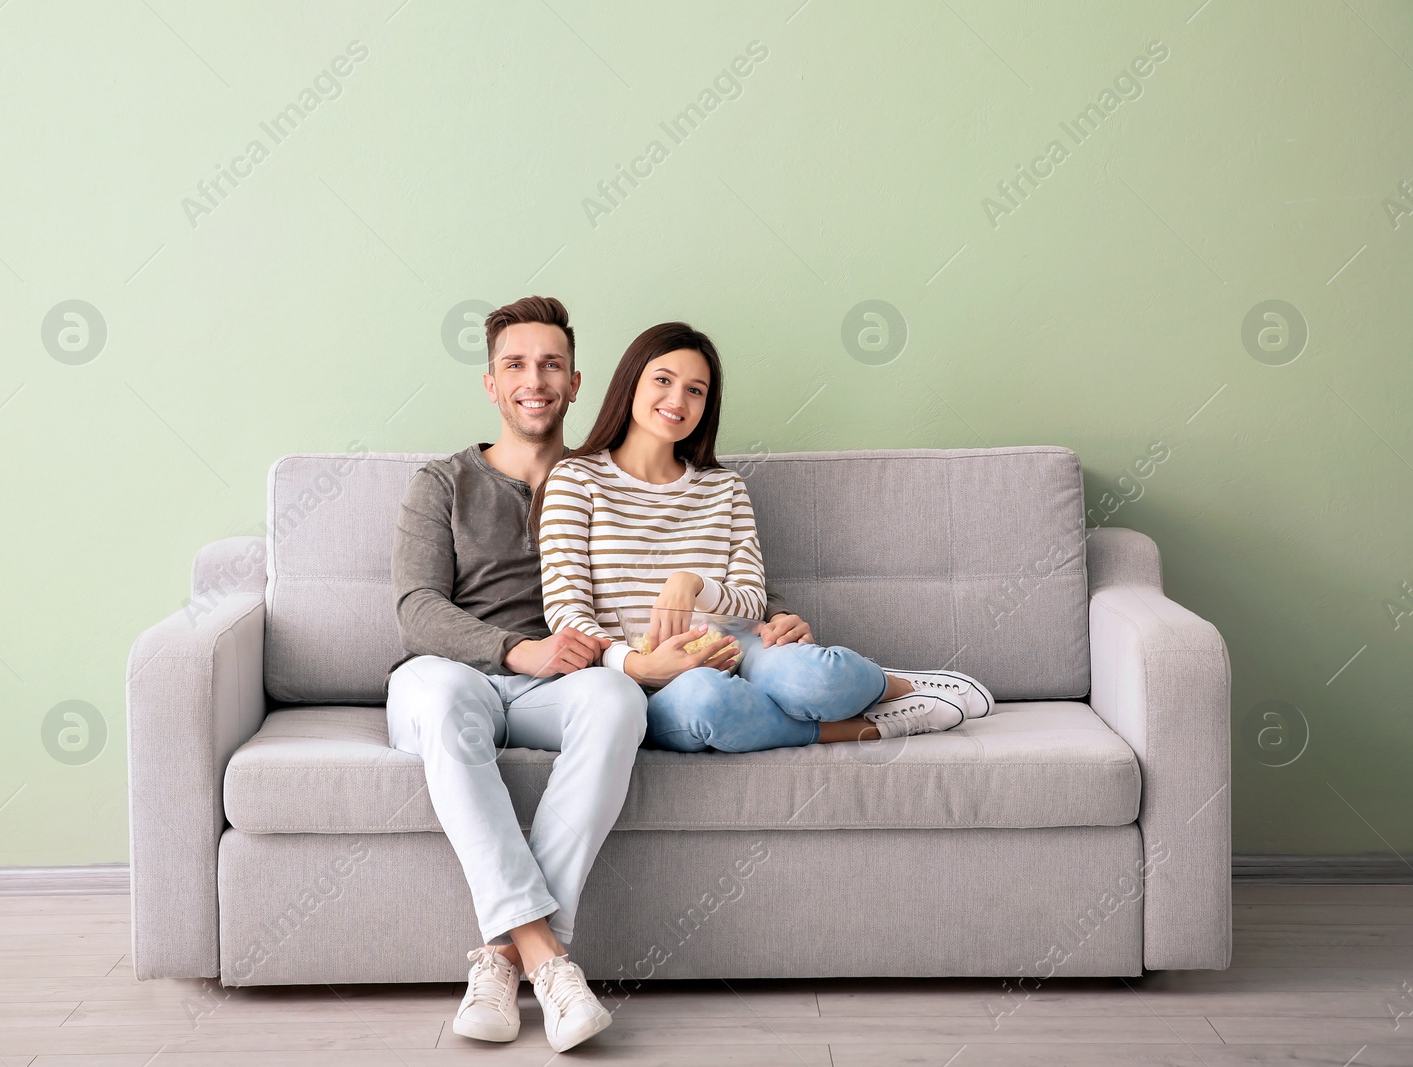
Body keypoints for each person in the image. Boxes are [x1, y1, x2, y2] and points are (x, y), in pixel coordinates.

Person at [534, 321, 995, 753]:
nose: (677, 399)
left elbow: (752, 600)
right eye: (663, 380)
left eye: (695, 390)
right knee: (707, 703)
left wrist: (691, 582)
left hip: (738, 649)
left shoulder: (724, 487)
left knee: (816, 677)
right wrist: (636, 665)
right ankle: (868, 726)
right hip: (642, 682)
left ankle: (900, 687)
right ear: (630, 382)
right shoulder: (576, 480)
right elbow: (566, 609)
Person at [384, 296, 628, 1053]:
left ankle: (502, 958)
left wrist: (772, 611)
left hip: (558, 687)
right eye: (516, 365)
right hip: (449, 678)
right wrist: (516, 650)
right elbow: (416, 606)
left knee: (619, 700)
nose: (535, 379)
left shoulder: (607, 481)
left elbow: (684, 550)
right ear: (491, 384)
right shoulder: (444, 482)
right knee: (453, 690)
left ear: (576, 381)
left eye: (551, 364)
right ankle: (548, 958)